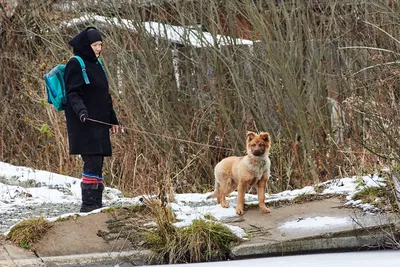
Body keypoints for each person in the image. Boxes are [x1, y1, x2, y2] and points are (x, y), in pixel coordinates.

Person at [64, 27, 119, 212]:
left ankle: (97, 205)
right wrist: (81, 112)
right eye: (95, 45)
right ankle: (88, 205)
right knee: (92, 160)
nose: (98, 48)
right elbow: (73, 93)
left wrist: (113, 120)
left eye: (100, 45)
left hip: (100, 123)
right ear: (86, 45)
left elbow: (105, 95)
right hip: (84, 122)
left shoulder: (98, 65)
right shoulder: (75, 63)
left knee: (99, 161)